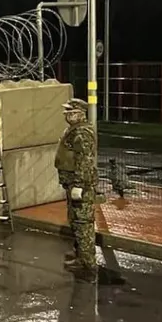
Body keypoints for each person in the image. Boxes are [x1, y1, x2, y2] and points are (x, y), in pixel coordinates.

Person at [55, 97, 98, 280]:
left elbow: (84, 161)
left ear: (79, 113)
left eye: (70, 112)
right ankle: (81, 258)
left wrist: (79, 185)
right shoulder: (74, 130)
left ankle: (89, 267)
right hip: (71, 183)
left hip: (80, 185)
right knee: (75, 222)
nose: (67, 115)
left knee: (83, 225)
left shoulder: (83, 133)